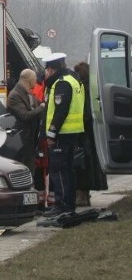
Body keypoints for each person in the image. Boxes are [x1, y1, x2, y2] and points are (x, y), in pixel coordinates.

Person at [42, 53, 85, 217]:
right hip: (73, 132)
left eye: (47, 69)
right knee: (68, 170)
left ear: (52, 69)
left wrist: (51, 133)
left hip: (62, 133)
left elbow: (61, 110)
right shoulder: (74, 80)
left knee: (58, 170)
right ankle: (69, 204)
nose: (46, 73)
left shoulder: (62, 83)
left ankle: (61, 205)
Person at [72, 61, 108, 206]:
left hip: (83, 133)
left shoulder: (81, 89)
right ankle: (86, 195)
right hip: (93, 133)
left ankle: (81, 195)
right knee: (90, 163)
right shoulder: (94, 89)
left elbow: (84, 113)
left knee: (81, 164)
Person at [6, 68, 45, 172]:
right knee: (24, 167)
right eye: (34, 79)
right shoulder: (15, 95)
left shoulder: (28, 93)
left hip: (30, 139)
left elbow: (39, 104)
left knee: (31, 166)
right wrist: (41, 107)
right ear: (29, 80)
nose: (36, 82)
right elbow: (24, 115)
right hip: (21, 139)